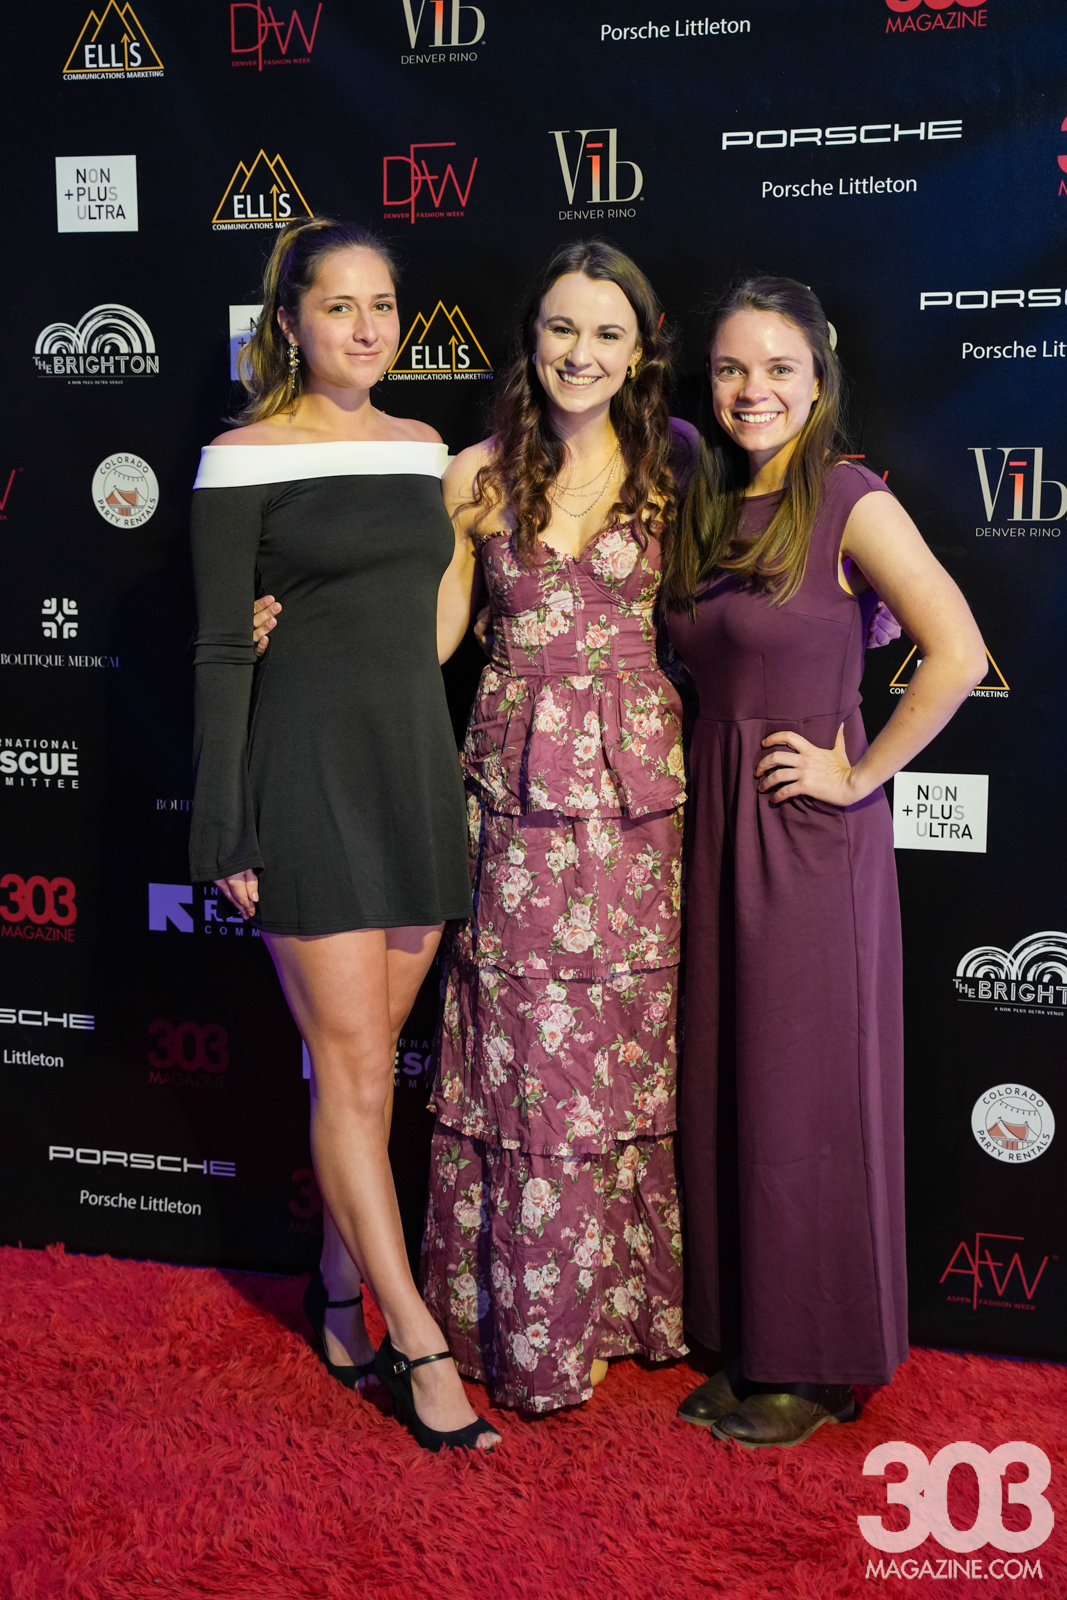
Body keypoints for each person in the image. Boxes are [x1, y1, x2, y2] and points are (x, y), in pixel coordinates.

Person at [188, 216, 499, 1452]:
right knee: (351, 1064)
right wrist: (225, 824)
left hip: (411, 773)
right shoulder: (239, 458)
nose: (365, 329)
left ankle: (332, 1291)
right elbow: (223, 646)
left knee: (359, 1082)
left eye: (382, 307)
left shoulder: (424, 450)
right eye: (337, 306)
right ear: (289, 322)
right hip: (303, 779)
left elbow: (428, 620)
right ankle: (414, 1338)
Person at [661, 277, 986, 1447]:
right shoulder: (704, 497)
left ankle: (815, 1360)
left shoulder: (849, 498)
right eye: (730, 368)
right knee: (728, 1083)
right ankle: (748, 1339)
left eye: (777, 368)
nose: (751, 390)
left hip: (804, 835)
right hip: (710, 820)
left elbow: (956, 651)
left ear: (816, 378)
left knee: (803, 1095)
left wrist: (857, 772)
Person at [420, 241, 694, 1413]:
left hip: (637, 812)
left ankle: (622, 1309)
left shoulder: (678, 465)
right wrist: (289, 624)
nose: (580, 353)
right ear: (529, 337)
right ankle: (519, 1323)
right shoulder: (474, 475)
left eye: (605, 333)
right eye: (561, 328)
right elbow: (429, 640)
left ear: (638, 351)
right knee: (525, 1053)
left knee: (622, 1049)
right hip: (514, 805)